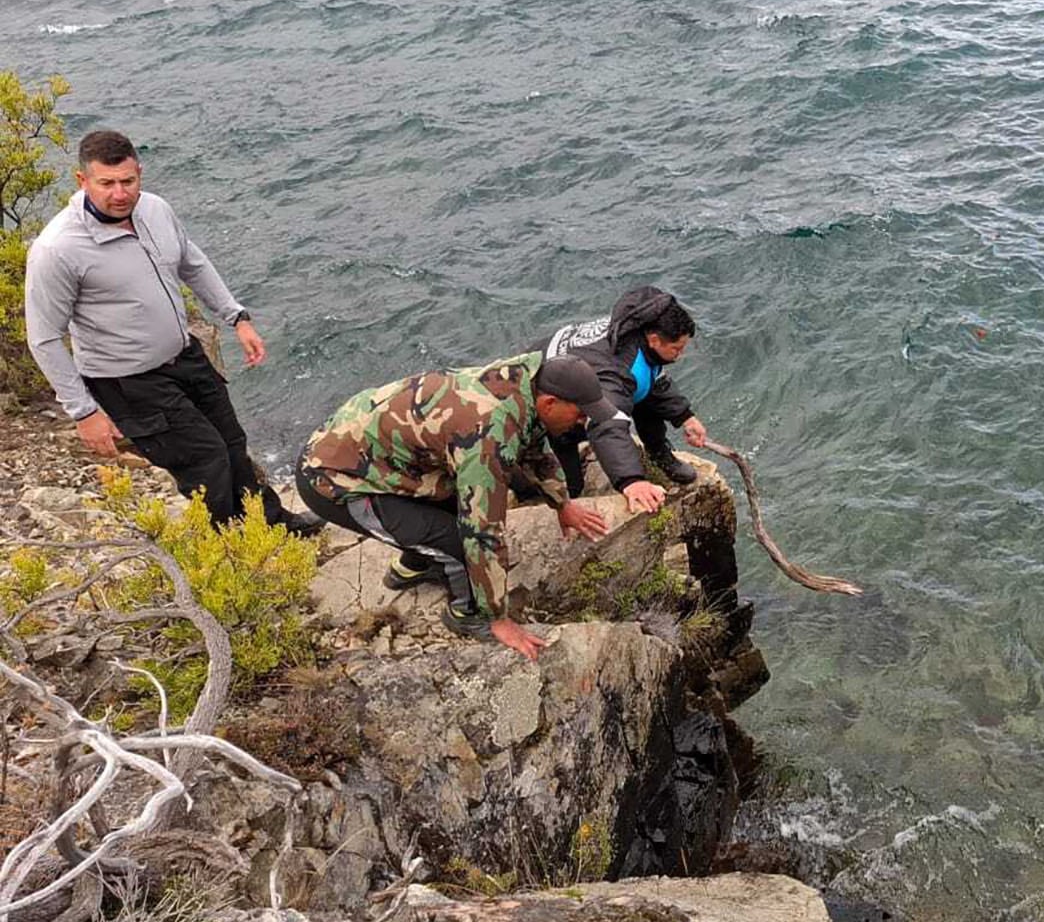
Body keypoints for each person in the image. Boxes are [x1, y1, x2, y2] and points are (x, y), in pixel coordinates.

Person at [24, 129, 323, 535]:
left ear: (139, 174)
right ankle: (230, 552)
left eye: (127, 181)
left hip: (185, 357)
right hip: (128, 381)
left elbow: (192, 264)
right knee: (206, 460)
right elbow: (43, 337)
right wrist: (84, 412)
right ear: (82, 181)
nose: (119, 193)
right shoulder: (57, 249)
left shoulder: (156, 210)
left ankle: (271, 524)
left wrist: (237, 318)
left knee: (232, 444)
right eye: (106, 183)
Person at [294, 352, 615, 658]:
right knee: (462, 546)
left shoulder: (521, 384)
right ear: (550, 402)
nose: (583, 422)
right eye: (580, 414)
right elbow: (483, 532)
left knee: (451, 508)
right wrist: (497, 616)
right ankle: (464, 614)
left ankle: (411, 566)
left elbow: (532, 449)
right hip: (333, 479)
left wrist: (562, 504)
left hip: (380, 457)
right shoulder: (490, 431)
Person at [539, 286, 708, 513]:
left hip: (584, 373)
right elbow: (608, 426)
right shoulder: (617, 369)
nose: (681, 355)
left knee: (646, 396)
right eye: (677, 348)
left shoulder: (638, 329)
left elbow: (654, 380)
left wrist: (685, 417)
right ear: (655, 340)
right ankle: (573, 489)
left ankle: (659, 454)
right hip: (553, 391)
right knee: (567, 437)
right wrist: (631, 481)